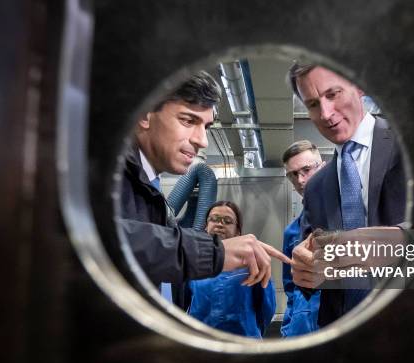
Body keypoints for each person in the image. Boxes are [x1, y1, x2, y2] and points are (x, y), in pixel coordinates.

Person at [119, 71, 289, 307]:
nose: (202, 140)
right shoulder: (105, 176)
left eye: (206, 126)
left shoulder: (150, 189)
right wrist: (213, 253)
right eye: (188, 121)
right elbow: (105, 240)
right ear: (145, 115)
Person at [287, 64, 407, 327]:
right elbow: (313, 259)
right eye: (313, 104)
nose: (326, 114)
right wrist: (305, 268)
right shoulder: (316, 187)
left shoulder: (411, 145)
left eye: (333, 94)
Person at [188, 201, 276, 338]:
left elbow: (266, 308)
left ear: (238, 231)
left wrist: (252, 332)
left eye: (227, 221)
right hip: (201, 342)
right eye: (214, 219)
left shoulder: (253, 263)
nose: (219, 224)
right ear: (206, 226)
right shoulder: (193, 262)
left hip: (244, 343)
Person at [280, 141, 324, 337]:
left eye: (306, 170)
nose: (300, 180)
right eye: (293, 174)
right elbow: (290, 288)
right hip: (300, 330)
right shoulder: (291, 232)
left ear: (322, 167)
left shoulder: (349, 216)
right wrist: (288, 328)